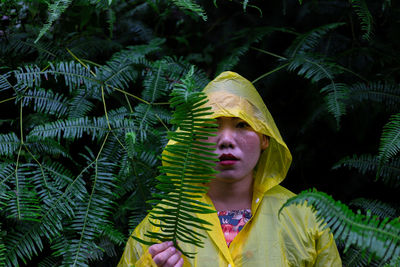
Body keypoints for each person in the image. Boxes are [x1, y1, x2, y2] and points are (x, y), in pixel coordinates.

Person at [118, 71, 342, 267]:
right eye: (211, 126)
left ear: (265, 137)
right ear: (194, 142)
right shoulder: (161, 224)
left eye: (242, 124)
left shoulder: (303, 219)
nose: (226, 140)